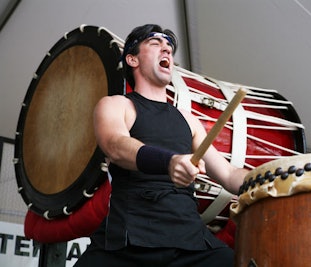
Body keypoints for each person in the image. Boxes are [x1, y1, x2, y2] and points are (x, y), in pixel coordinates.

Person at [74, 24, 249, 267]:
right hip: (128, 241)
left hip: (190, 243)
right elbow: (115, 145)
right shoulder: (116, 105)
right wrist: (169, 162)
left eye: (169, 47)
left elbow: (228, 174)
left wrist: (270, 180)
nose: (166, 49)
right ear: (132, 59)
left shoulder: (189, 121)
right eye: (155, 44)